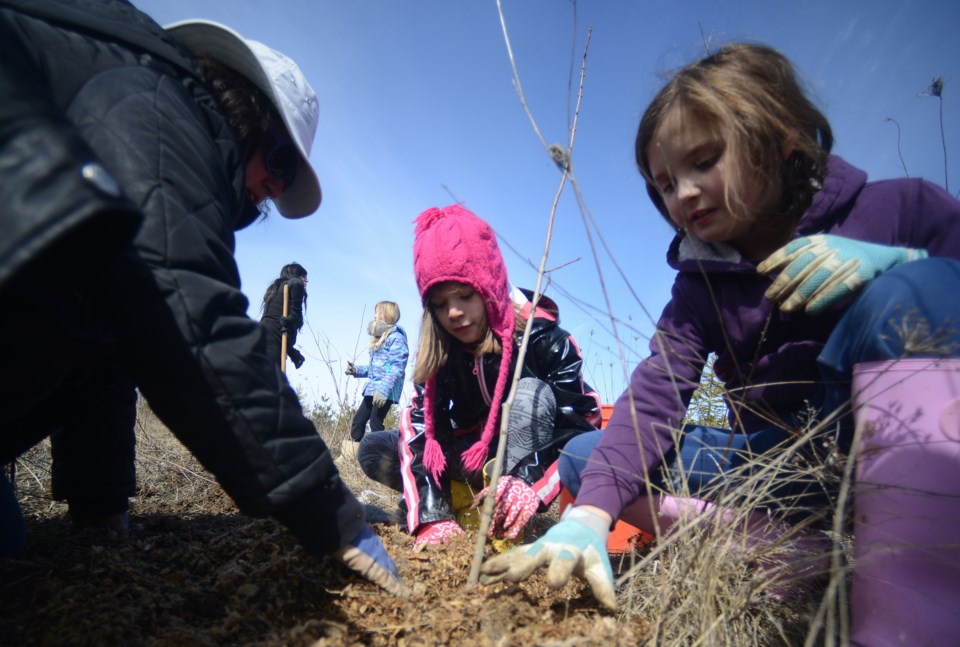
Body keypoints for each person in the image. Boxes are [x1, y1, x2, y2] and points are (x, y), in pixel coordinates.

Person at [480, 43, 960, 642]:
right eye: (664, 184)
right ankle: (791, 553)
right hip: (776, 468)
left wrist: (904, 265)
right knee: (585, 457)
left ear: (778, 137)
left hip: (887, 456)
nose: (682, 194)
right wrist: (587, 514)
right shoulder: (699, 284)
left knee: (920, 290)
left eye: (703, 161)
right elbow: (656, 396)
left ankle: (910, 616)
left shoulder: (900, 208)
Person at [0, 0, 405, 596]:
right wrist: (335, 517)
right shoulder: (157, 107)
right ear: (243, 108)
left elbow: (116, 333)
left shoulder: (136, 102)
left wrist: (99, 505)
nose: (273, 189)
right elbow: (193, 318)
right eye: (281, 161)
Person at [358, 205, 603, 551]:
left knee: (530, 394)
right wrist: (431, 514)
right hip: (472, 456)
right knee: (375, 448)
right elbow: (419, 426)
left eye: (465, 295)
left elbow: (582, 423)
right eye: (441, 304)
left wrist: (528, 484)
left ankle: (504, 520)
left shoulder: (543, 339)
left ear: (489, 285)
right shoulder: (441, 350)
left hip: (523, 463)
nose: (454, 313)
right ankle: (454, 506)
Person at [343, 301, 409, 456]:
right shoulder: (379, 338)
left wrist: (383, 390)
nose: (374, 316)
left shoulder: (396, 338)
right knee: (358, 421)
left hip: (385, 390)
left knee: (375, 422)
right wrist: (356, 370)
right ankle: (350, 457)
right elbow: (374, 369)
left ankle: (384, 458)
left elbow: (397, 368)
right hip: (372, 389)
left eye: (377, 312)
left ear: (385, 314)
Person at [260, 263, 309, 370]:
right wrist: (294, 314)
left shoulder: (275, 290)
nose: (307, 281)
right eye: (304, 277)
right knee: (272, 381)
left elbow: (280, 323)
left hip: (265, 337)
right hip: (272, 341)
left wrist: (290, 351)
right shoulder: (294, 283)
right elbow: (296, 282)